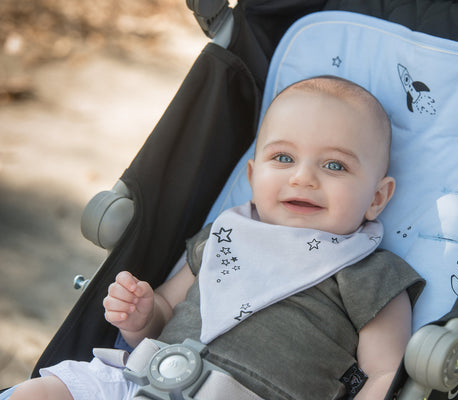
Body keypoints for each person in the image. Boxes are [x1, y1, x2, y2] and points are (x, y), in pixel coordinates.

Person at [11, 76, 424, 400]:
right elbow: (164, 312)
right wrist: (141, 314)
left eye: (334, 165)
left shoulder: (368, 272)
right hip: (141, 379)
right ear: (252, 177)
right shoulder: (226, 235)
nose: (303, 177)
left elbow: (386, 372)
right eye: (283, 158)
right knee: (43, 392)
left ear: (376, 197)